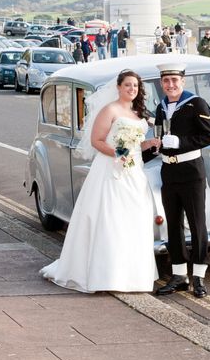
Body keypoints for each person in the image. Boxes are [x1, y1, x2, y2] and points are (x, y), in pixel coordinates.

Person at [40, 70, 160, 293]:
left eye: (135, 86)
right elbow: (97, 140)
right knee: (111, 218)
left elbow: (137, 145)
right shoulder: (110, 110)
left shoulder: (137, 113)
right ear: (119, 87)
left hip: (134, 173)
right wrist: (117, 153)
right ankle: (107, 275)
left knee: (134, 219)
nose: (132, 89)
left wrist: (149, 143)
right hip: (111, 170)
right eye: (127, 85)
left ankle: (133, 275)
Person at [154, 63, 210, 299]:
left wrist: (181, 142)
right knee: (173, 224)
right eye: (166, 81)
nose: (171, 85)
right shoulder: (160, 107)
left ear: (183, 81)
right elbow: (159, 138)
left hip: (191, 171)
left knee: (197, 224)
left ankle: (198, 277)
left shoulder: (195, 103)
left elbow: (209, 136)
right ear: (161, 83)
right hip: (168, 172)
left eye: (175, 80)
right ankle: (179, 276)